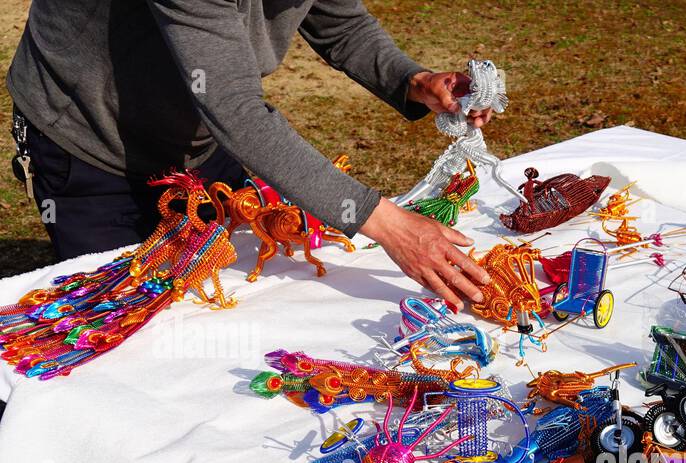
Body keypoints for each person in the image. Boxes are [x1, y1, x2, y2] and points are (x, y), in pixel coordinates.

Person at [6, 0, 489, 308]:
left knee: (224, 299)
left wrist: (411, 80)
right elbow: (235, 108)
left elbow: (336, 18)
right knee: (120, 319)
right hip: (91, 139)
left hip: (199, 133)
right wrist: (391, 225)